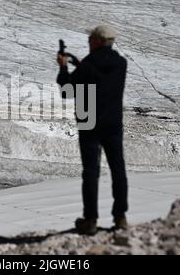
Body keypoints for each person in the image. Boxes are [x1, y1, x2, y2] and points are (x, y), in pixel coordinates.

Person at [56, 25, 128, 235]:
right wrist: (79, 64)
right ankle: (120, 217)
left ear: (97, 42)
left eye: (90, 40)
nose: (88, 43)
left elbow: (66, 90)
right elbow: (98, 78)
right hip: (113, 124)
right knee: (118, 169)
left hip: (89, 123)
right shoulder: (121, 63)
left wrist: (63, 67)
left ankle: (91, 220)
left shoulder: (88, 64)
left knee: (91, 172)